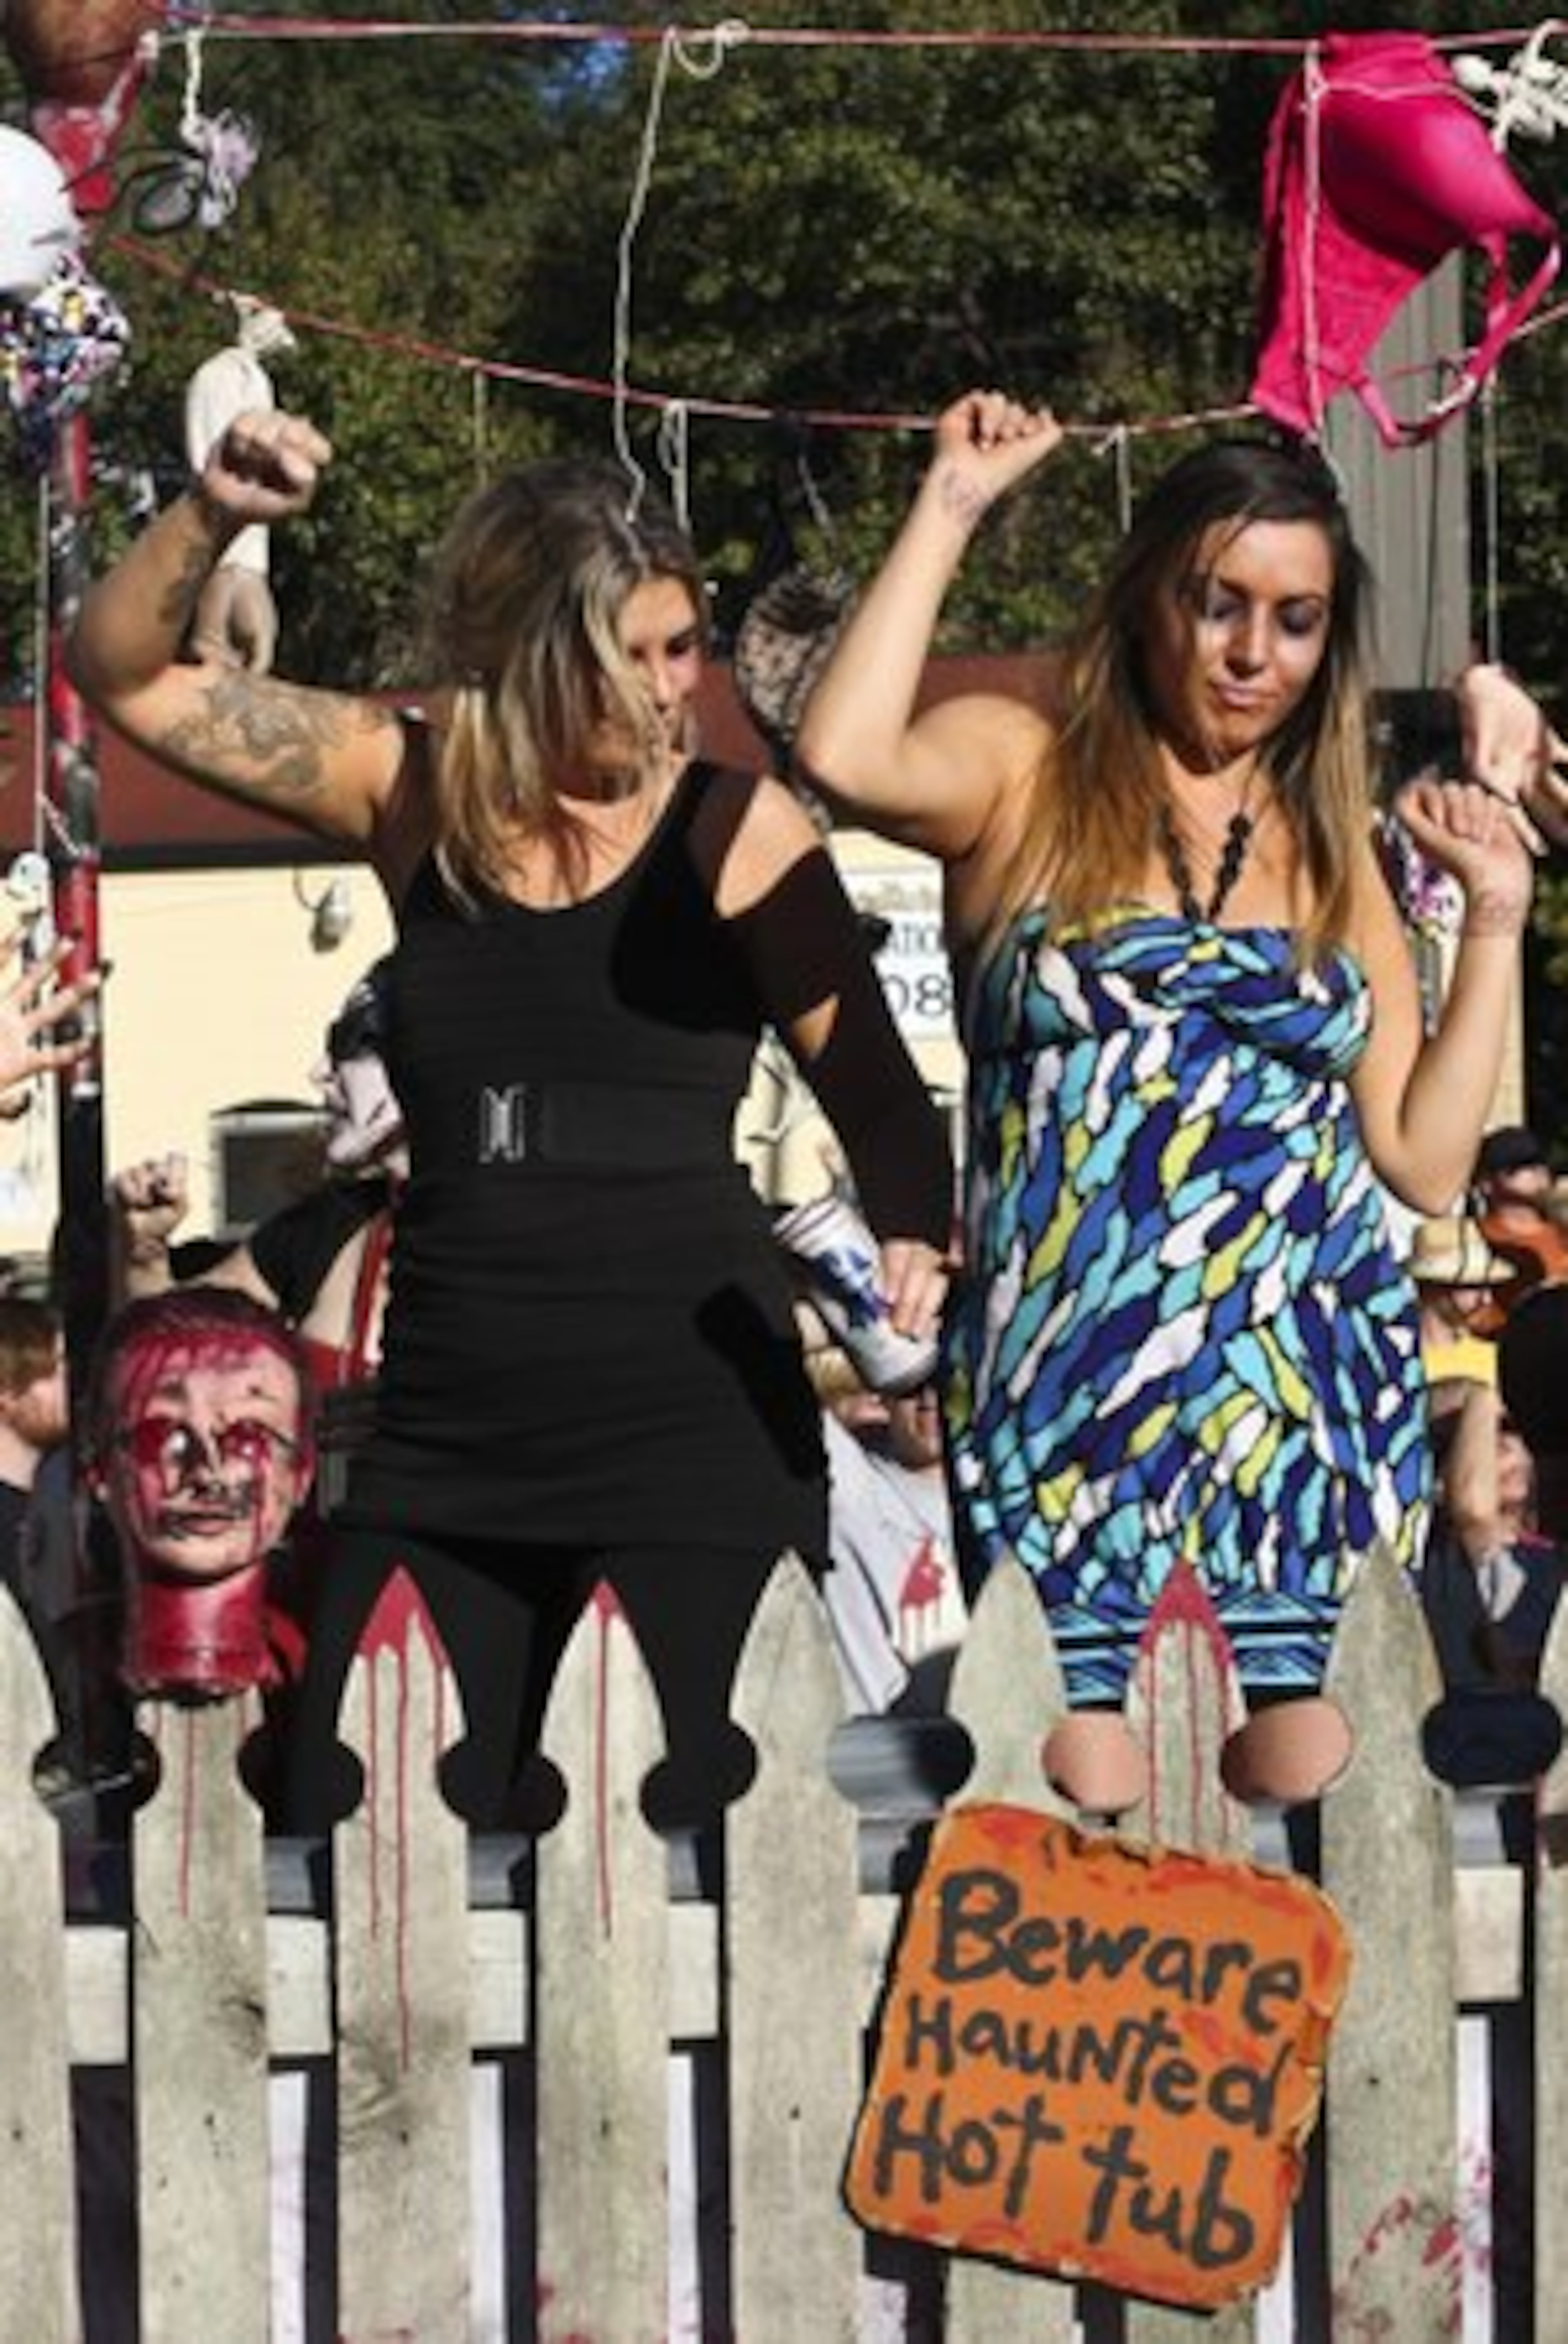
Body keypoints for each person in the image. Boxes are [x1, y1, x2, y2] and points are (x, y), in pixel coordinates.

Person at [68, 409, 952, 1831]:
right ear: (541, 656)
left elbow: (882, 1100)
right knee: (350, 1817)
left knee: (683, 1864)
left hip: (696, 1431)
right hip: (452, 1431)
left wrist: (915, 1236)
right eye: (635, 658)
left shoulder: (739, 829)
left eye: (687, 649)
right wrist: (212, 515)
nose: (676, 692)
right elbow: (121, 674)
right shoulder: (405, 784)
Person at [796, 388, 1537, 1717]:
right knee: (1085, 1804)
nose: (1255, 652)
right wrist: (955, 502)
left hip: (1307, 1405)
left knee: (1306, 1807)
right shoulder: (1023, 771)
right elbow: (843, 754)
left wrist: (1494, 919)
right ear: (1148, 598)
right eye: (1219, 603)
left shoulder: (1326, 844)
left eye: (1297, 620)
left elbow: (1427, 1162)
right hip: (1069, 1403)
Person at [83, 1285, 315, 1701]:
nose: (208, 1472)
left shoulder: (330, 1666)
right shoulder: (46, 1666)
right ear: (100, 1471)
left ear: (301, 1474)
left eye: (250, 1433)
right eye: (161, 1432)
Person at [1408, 1212, 1515, 1387]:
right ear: (1433, 1287)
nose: (1486, 1299)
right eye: (1473, 1286)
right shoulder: (1395, 1357)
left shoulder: (1493, 1360)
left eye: (1488, 1285)